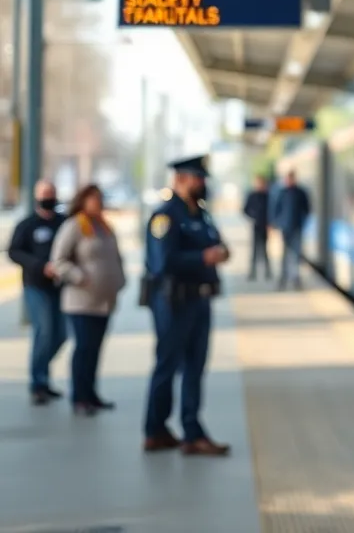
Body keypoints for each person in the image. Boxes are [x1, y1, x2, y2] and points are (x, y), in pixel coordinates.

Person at [142, 155, 232, 456]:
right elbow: (161, 263)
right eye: (197, 178)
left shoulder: (201, 214)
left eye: (203, 178)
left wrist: (220, 252)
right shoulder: (166, 216)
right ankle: (155, 429)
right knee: (168, 365)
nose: (202, 184)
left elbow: (214, 242)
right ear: (180, 179)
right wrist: (202, 258)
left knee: (195, 366)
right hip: (173, 301)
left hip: (200, 298)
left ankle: (191, 432)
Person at [50, 184, 126, 416]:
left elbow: (115, 256)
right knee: (83, 348)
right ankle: (79, 396)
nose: (99, 203)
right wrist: (79, 276)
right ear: (82, 201)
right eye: (94, 199)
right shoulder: (74, 226)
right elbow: (59, 261)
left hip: (104, 302)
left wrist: (120, 279)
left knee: (95, 349)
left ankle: (91, 393)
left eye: (100, 199)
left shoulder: (103, 227)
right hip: (81, 300)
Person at [6, 180, 67, 404]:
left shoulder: (64, 223)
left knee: (60, 334)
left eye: (51, 193)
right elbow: (14, 251)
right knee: (44, 331)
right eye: (44, 194)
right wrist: (40, 266)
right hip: (36, 286)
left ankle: (41, 372)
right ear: (36, 197)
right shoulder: (27, 225)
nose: (48, 197)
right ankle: (38, 382)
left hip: (60, 287)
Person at [271, 170, 310, 291]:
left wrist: (302, 222)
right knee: (285, 255)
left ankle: (296, 279)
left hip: (297, 227)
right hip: (285, 228)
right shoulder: (282, 193)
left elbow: (307, 209)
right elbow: (276, 209)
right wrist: (277, 223)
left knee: (296, 254)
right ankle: (283, 278)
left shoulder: (300, 192)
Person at [243, 174, 271, 281]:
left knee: (265, 251)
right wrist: (253, 216)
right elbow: (245, 210)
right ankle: (252, 272)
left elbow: (271, 210)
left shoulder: (267, 196)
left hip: (265, 226)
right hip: (256, 226)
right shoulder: (252, 195)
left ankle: (268, 272)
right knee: (254, 251)